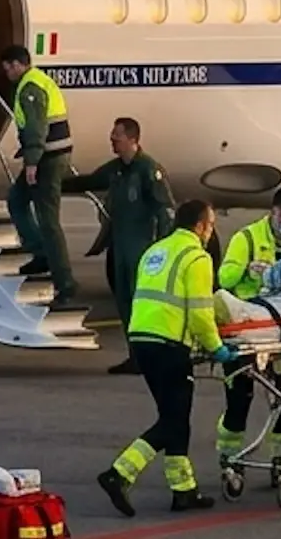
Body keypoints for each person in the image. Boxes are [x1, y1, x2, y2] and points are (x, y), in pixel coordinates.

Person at [96, 200, 232, 517]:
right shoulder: (197, 257)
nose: (211, 231)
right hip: (169, 346)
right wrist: (217, 348)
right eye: (210, 225)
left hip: (142, 340)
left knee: (175, 416)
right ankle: (119, 474)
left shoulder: (155, 251)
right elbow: (200, 313)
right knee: (172, 421)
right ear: (199, 226)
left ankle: (183, 490)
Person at [213, 187, 281, 468]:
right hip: (245, 331)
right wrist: (247, 270)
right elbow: (224, 278)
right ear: (274, 212)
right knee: (240, 398)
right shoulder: (247, 239)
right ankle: (229, 456)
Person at [90, 117, 176, 375]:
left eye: (117, 135)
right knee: (125, 303)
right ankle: (135, 357)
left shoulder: (148, 170)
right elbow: (90, 181)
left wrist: (162, 248)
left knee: (143, 306)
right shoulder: (116, 169)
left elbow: (165, 210)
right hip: (121, 248)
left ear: (133, 139)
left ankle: (152, 357)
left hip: (142, 249)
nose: (112, 139)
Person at [0, 44, 77, 307]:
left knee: (48, 220)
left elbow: (36, 127)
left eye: (8, 67)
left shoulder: (30, 88)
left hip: (48, 159)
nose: (7, 73)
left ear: (18, 64)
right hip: (45, 154)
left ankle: (65, 281)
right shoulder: (36, 81)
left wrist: (31, 162)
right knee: (17, 200)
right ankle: (40, 252)